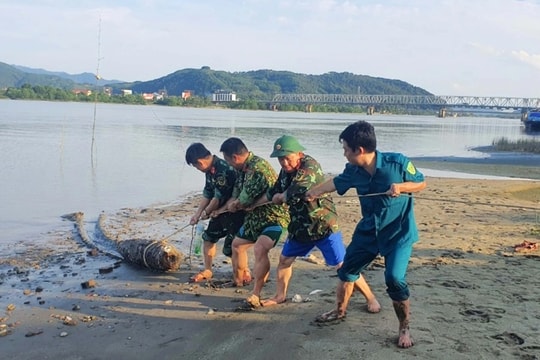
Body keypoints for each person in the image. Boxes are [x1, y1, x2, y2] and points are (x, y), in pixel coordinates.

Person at [305, 120, 426, 348]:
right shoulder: (353, 171)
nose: (344, 154)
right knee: (346, 270)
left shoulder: (397, 162)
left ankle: (404, 327)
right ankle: (339, 311)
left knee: (394, 279)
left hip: (398, 233)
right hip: (368, 231)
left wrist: (401, 187)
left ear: (359, 150)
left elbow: (420, 183)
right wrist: (313, 193)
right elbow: (335, 183)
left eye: (345, 149)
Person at [252, 135, 380, 313]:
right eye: (280, 159)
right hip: (299, 227)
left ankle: (371, 298)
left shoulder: (310, 166)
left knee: (344, 266)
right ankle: (280, 295)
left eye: (287, 158)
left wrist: (282, 197)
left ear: (299, 154)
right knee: (284, 260)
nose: (284, 163)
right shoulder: (285, 171)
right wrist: (250, 204)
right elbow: (273, 191)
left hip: (323, 225)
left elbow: (298, 188)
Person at [219, 137, 289, 307]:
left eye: (228, 160)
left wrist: (235, 205)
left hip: (274, 217)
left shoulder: (257, 169)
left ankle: (256, 292)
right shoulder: (242, 168)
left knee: (260, 248)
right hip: (254, 218)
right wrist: (228, 206)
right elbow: (237, 193)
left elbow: (243, 200)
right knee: (237, 245)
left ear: (235, 157)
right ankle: (239, 280)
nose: (228, 164)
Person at [185, 142, 245, 283]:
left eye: (195, 166)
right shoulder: (209, 170)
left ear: (199, 162)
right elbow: (208, 192)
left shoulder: (222, 169)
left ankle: (244, 273)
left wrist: (207, 212)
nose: (197, 169)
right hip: (218, 212)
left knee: (234, 246)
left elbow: (218, 198)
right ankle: (208, 269)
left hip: (233, 211)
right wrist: (198, 213)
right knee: (209, 237)